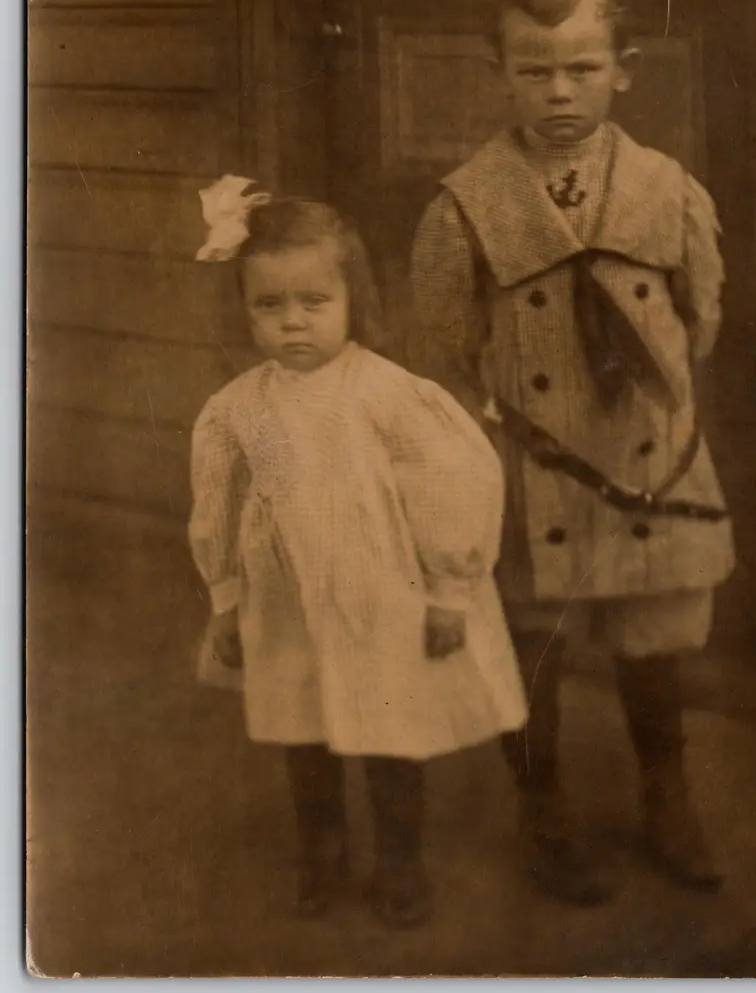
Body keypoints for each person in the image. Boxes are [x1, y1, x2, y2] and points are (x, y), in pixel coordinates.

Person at [410, 0, 736, 906]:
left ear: (624, 70)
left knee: (653, 634)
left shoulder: (667, 192)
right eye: (534, 72)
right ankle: (541, 808)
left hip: (644, 457)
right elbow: (440, 354)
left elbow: (700, 320)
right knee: (531, 641)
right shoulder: (463, 209)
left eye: (583, 70)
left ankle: (667, 795)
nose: (560, 94)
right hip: (529, 465)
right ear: (497, 71)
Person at [188, 178, 527, 928]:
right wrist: (225, 599)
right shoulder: (241, 408)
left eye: (314, 302)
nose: (293, 324)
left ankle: (399, 863)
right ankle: (323, 855)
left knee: (388, 739)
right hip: (287, 605)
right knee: (303, 737)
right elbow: (219, 506)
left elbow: (455, 484)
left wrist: (447, 590)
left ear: (352, 297)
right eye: (269, 306)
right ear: (244, 311)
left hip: (382, 602)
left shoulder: (388, 395)